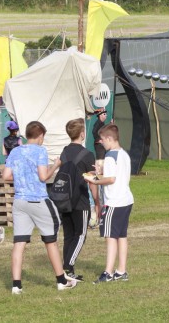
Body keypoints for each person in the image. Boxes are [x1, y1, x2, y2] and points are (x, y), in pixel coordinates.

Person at [2, 120, 76, 294]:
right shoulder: (40, 151)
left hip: (20, 202)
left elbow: (6, 176)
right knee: (50, 239)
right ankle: (61, 280)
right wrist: (56, 166)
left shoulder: (15, 151)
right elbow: (43, 177)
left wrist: (23, 179)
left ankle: (16, 285)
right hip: (38, 200)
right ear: (41, 135)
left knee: (19, 243)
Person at [83, 123, 134, 284]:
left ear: (110, 139)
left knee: (110, 237)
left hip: (114, 202)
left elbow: (111, 179)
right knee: (121, 236)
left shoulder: (110, 155)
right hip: (126, 200)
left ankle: (108, 272)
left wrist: (93, 179)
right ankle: (121, 270)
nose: (102, 143)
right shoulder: (123, 154)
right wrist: (99, 173)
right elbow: (116, 174)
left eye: (103, 140)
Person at [58, 118, 99, 282]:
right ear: (82, 134)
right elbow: (92, 182)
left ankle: (69, 269)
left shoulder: (64, 151)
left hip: (64, 199)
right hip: (80, 201)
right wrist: (97, 201)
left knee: (68, 236)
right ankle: (67, 266)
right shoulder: (88, 155)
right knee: (80, 235)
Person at [92, 108, 108, 176]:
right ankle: (98, 174)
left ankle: (101, 173)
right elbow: (94, 131)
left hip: (102, 145)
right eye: (104, 114)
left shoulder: (102, 123)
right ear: (100, 115)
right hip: (99, 145)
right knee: (100, 160)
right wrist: (99, 140)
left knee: (102, 160)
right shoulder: (98, 123)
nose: (106, 115)